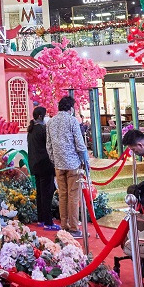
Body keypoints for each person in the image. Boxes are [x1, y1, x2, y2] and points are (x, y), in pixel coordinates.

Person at [46, 96, 89, 238]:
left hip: (59, 164)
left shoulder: (51, 122)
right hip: (73, 165)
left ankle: (64, 226)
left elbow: (49, 146)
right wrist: (85, 161)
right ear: (71, 108)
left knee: (62, 195)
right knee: (73, 196)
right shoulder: (72, 121)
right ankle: (74, 227)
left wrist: (55, 160)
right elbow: (80, 144)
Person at [27, 106, 58, 230]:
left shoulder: (31, 130)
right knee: (47, 194)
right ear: (40, 116)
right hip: (45, 165)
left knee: (40, 193)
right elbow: (51, 146)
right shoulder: (42, 130)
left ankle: (41, 219)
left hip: (35, 165)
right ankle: (48, 222)